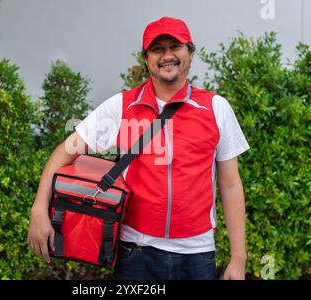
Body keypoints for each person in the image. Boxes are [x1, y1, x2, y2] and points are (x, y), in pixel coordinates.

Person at [27, 16, 250, 280]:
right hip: (136, 253)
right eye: (158, 49)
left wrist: (238, 258)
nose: (167, 56)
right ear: (146, 58)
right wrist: (39, 210)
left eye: (175, 47)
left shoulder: (216, 108)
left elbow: (231, 185)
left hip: (197, 255)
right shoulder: (122, 106)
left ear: (190, 52)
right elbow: (64, 152)